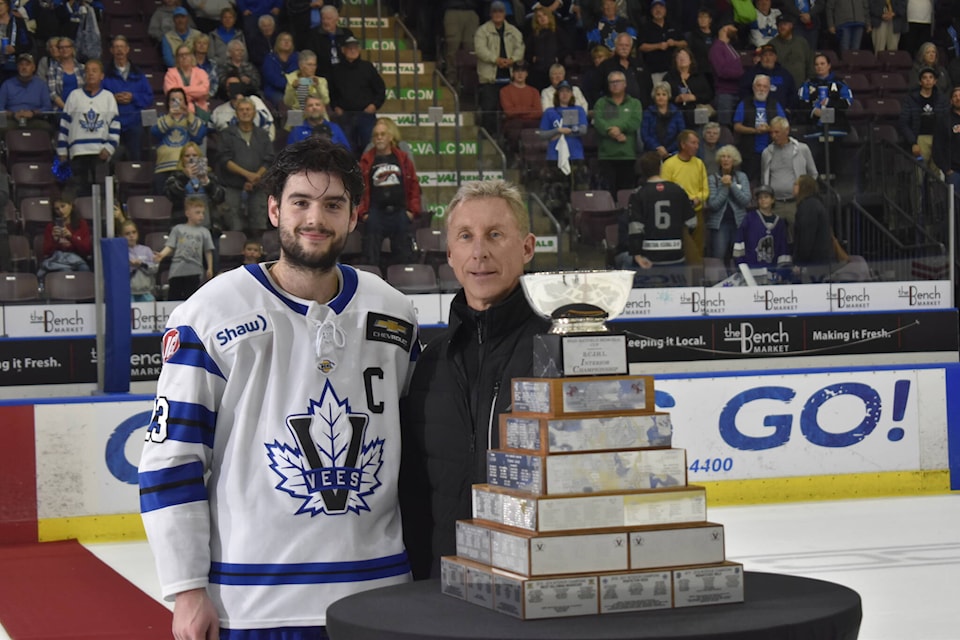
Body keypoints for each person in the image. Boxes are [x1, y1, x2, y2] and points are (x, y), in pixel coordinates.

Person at [140, 135, 419, 635]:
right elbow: (171, 459)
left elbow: (419, 451)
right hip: (254, 603)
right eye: (300, 203)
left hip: (382, 594)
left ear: (354, 216)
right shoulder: (209, 313)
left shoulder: (394, 312)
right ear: (274, 210)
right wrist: (185, 590)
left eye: (333, 204)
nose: (315, 218)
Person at [399, 179, 548, 580]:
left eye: (495, 235)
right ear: (450, 253)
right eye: (466, 236)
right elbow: (412, 488)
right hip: (443, 586)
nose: (479, 251)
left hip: (539, 587)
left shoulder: (557, 354)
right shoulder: (430, 363)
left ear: (527, 247)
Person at [615, 150, 697, 274]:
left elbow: (635, 228)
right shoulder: (678, 190)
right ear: (661, 167)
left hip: (649, 256)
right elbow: (692, 222)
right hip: (676, 254)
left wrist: (636, 255)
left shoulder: (638, 194)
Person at [356, 117, 421, 267]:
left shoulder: (403, 159)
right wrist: (364, 214)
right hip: (375, 214)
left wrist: (412, 211)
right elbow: (358, 189)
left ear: (390, 137)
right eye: (376, 135)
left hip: (399, 213)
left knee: (405, 256)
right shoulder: (366, 161)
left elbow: (414, 186)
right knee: (371, 257)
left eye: (383, 134)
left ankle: (405, 285)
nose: (379, 138)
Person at [56, 59, 119, 197]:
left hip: (99, 152)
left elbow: (115, 126)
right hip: (78, 153)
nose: (90, 74)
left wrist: (109, 148)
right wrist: (62, 150)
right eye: (87, 71)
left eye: (94, 71)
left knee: (100, 193)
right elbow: (65, 124)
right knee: (79, 192)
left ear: (102, 75)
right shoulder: (74, 96)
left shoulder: (108, 97)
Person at [217, 97, 274, 236]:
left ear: (254, 113)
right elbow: (224, 160)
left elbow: (269, 159)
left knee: (259, 226)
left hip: (258, 186)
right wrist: (247, 175)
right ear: (236, 113)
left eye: (248, 109)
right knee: (234, 227)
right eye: (241, 110)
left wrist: (256, 177)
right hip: (233, 187)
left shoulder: (263, 135)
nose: (245, 112)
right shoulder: (227, 134)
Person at [538, 80, 588, 215]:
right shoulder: (550, 112)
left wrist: (570, 130)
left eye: (567, 91)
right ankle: (557, 218)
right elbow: (542, 134)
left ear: (572, 94)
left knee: (575, 189)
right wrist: (557, 131)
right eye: (562, 91)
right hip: (555, 156)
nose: (564, 94)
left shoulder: (578, 110)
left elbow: (583, 129)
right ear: (557, 94)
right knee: (557, 190)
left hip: (575, 155)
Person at [328, 36, 386, 154]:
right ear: (343, 50)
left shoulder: (367, 67)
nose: (353, 51)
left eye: (355, 48)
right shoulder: (336, 70)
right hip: (345, 116)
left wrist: (374, 105)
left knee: (369, 148)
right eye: (349, 48)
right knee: (346, 149)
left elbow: (380, 89)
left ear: (359, 50)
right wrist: (335, 107)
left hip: (366, 115)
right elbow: (331, 92)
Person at [474, 1, 524, 136]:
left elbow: (520, 48)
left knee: (511, 110)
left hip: (509, 76)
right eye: (495, 12)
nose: (497, 14)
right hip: (490, 77)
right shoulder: (482, 31)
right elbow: (480, 50)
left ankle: (508, 137)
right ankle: (489, 136)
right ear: (490, 14)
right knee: (489, 108)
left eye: (500, 11)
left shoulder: (514, 31)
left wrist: (512, 60)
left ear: (504, 13)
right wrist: (496, 60)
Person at [151, 194, 214, 300]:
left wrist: (210, 267)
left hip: (194, 270)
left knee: (190, 298)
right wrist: (162, 255)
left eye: (203, 213)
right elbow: (170, 246)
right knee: (174, 297)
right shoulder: (178, 229)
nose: (201, 216)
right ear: (188, 213)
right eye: (197, 213)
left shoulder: (204, 232)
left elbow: (208, 250)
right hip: (177, 270)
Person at [102, 36, 154, 161]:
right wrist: (112, 98)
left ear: (127, 49)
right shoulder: (105, 74)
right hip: (112, 123)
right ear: (111, 51)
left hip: (134, 122)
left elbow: (149, 97)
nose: (119, 50)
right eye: (116, 47)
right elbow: (98, 97)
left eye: (122, 47)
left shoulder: (138, 73)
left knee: (135, 155)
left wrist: (133, 97)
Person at [761, 116, 818, 229]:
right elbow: (764, 178)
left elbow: (813, 174)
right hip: (776, 204)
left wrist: (805, 195)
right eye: (771, 132)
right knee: (776, 239)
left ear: (786, 131)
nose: (773, 136)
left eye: (777, 132)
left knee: (799, 235)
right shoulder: (767, 152)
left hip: (796, 203)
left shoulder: (802, 149)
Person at [593, 69, 643, 195]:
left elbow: (635, 121)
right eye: (612, 82)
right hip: (606, 156)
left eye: (618, 81)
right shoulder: (601, 103)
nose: (615, 84)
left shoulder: (634, 103)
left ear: (625, 84)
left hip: (627, 155)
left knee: (626, 194)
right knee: (608, 194)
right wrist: (612, 132)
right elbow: (599, 122)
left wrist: (619, 129)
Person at [661, 128, 708, 259]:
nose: (696, 146)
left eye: (697, 143)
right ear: (683, 144)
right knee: (679, 248)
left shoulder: (699, 163)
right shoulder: (669, 164)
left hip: (696, 212)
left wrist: (698, 198)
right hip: (676, 214)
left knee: (698, 248)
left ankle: (697, 277)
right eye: (693, 143)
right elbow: (665, 189)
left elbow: (705, 189)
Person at [152, 87, 208, 194]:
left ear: (185, 102)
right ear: (168, 103)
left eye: (180, 100)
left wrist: (189, 115)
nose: (177, 103)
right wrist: (171, 118)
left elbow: (199, 136)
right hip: (164, 168)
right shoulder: (161, 118)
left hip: (187, 168)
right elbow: (155, 133)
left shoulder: (192, 119)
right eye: (173, 100)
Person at [733, 73, 787, 181]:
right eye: (759, 86)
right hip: (749, 153)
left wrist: (769, 129)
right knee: (750, 182)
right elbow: (737, 127)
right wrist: (755, 130)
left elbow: (784, 125)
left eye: (765, 86)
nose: (761, 89)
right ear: (753, 87)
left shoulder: (775, 104)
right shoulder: (744, 103)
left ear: (769, 89)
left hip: (772, 151)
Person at [897, 66, 948, 174]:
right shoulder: (910, 99)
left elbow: (946, 120)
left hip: (937, 139)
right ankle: (920, 191)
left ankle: (935, 192)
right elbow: (904, 123)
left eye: (931, 77)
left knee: (937, 174)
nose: (928, 80)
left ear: (935, 81)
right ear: (920, 82)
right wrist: (913, 142)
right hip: (920, 138)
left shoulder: (942, 99)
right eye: (925, 78)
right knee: (919, 174)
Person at [706, 144, 752, 262]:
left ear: (734, 160)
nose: (725, 159)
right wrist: (725, 187)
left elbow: (746, 200)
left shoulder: (742, 177)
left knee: (739, 257)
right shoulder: (713, 179)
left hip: (739, 224)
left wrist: (731, 185)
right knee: (718, 257)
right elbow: (713, 204)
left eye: (729, 157)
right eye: (723, 157)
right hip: (720, 225)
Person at [163, 141, 226, 224]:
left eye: (194, 155)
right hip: (182, 223)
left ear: (200, 157)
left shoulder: (210, 176)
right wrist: (185, 177)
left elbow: (220, 198)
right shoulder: (176, 175)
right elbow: (171, 195)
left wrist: (207, 182)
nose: (191, 158)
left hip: (208, 223)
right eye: (187, 156)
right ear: (182, 158)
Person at [732, 184, 791, 270]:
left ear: (772, 200)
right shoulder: (749, 218)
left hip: (772, 271)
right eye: (760, 198)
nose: (763, 199)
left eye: (766, 197)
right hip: (752, 269)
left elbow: (783, 248)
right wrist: (742, 265)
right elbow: (740, 241)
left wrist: (782, 270)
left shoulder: (779, 223)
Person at [37, 190, 92, 278]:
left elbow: (86, 250)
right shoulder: (51, 227)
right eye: (57, 209)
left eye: (63, 206)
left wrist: (71, 237)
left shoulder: (81, 224)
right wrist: (55, 241)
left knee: (84, 270)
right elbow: (46, 253)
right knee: (65, 271)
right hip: (57, 260)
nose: (61, 211)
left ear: (71, 205)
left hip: (77, 259)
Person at [791, 173, 834, 273]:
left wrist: (800, 263)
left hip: (815, 265)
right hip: (819, 263)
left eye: (795, 184)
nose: (793, 187)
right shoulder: (814, 203)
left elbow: (806, 238)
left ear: (803, 187)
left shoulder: (808, 207)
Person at [663, 45, 714, 128]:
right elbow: (662, 96)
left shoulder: (699, 76)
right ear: (675, 61)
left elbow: (709, 95)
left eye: (685, 56)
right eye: (679, 57)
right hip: (676, 114)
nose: (682, 59)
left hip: (698, 113)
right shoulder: (669, 77)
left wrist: (694, 97)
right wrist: (676, 99)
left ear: (690, 60)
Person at [0, 53, 52, 132]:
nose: (24, 67)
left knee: (47, 128)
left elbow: (47, 107)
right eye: (21, 64)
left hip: (34, 119)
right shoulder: (7, 84)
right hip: (12, 119)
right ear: (17, 67)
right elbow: (0, 108)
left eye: (27, 64)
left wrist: (32, 113)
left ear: (33, 67)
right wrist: (13, 114)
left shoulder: (41, 85)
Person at [637, 0, 686, 81]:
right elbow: (641, 47)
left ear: (665, 10)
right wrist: (658, 46)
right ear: (651, 11)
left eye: (661, 7)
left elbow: (685, 43)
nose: (658, 10)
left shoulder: (672, 24)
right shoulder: (645, 27)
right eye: (655, 8)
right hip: (655, 71)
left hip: (674, 71)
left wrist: (674, 43)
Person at [499, 59, 542, 150]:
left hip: (532, 123)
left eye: (523, 71)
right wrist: (529, 109)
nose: (520, 74)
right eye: (517, 71)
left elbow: (538, 112)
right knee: (515, 127)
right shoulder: (505, 91)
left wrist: (518, 110)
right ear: (513, 74)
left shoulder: (534, 91)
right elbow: (509, 112)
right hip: (513, 124)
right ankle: (516, 157)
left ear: (527, 74)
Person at [708, 21, 743, 126]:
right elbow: (721, 71)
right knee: (724, 127)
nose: (735, 30)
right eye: (732, 27)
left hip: (735, 92)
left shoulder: (728, 46)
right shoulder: (717, 48)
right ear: (725, 29)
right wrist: (741, 74)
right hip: (725, 94)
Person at [286, 93, 350, 149]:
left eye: (317, 105)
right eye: (310, 105)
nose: (314, 107)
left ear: (323, 108)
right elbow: (289, 157)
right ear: (305, 110)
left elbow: (347, 152)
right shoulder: (296, 131)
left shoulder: (335, 128)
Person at [641, 81, 686, 159]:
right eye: (658, 94)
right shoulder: (648, 112)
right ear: (654, 96)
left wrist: (667, 150)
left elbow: (681, 134)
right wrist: (657, 147)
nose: (661, 97)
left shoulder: (677, 112)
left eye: (664, 94)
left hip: (673, 153)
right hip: (652, 153)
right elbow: (645, 134)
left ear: (668, 96)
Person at [308, 4, 354, 79]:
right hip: (322, 74)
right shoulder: (313, 34)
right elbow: (310, 56)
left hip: (344, 73)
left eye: (329, 19)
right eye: (323, 19)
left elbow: (353, 54)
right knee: (303, 84)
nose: (326, 22)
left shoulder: (346, 34)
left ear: (336, 19)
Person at [164, 44, 211, 116]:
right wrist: (195, 93)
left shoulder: (201, 72)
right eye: (181, 55)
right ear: (177, 58)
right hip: (178, 113)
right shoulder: (170, 74)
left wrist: (182, 93)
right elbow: (172, 94)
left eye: (187, 54)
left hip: (201, 113)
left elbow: (204, 91)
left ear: (192, 56)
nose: (184, 57)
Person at [770, 13, 813, 90]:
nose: (782, 27)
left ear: (791, 25)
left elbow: (809, 62)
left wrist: (810, 80)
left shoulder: (801, 42)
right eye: (779, 25)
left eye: (785, 24)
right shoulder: (772, 45)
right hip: (781, 87)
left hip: (802, 86)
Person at [932, 86, 960, 207]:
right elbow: (937, 147)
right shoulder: (944, 120)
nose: (958, 98)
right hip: (953, 171)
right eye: (955, 96)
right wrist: (946, 169)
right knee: (954, 206)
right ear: (951, 101)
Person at [123, 219, 158, 302]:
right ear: (121, 236)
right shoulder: (121, 253)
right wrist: (131, 266)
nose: (131, 235)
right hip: (128, 293)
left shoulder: (146, 250)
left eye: (134, 232)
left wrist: (142, 264)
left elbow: (154, 268)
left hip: (146, 292)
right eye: (127, 234)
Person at [46, 37, 83, 111]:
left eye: (67, 47)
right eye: (61, 47)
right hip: (60, 109)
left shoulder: (82, 68)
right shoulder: (53, 69)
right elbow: (52, 93)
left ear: (72, 48)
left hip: (81, 109)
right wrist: (66, 108)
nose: (64, 50)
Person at [260, 31, 296, 106]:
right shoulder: (269, 58)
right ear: (278, 43)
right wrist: (290, 84)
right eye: (283, 40)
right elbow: (273, 79)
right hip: (273, 90)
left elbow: (301, 75)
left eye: (289, 40)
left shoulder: (297, 57)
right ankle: (287, 117)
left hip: (294, 89)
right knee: (284, 101)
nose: (286, 42)